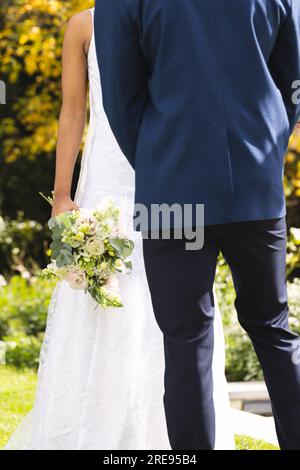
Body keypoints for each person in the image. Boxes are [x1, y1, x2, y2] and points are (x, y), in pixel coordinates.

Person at [5, 7, 234, 450]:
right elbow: (73, 114)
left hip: (172, 178)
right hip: (104, 182)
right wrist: (61, 196)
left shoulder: (182, 17)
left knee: (174, 304)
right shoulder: (82, 25)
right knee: (101, 298)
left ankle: (175, 439)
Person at [95, 0, 300, 450]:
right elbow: (292, 81)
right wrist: (266, 148)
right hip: (255, 185)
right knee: (273, 326)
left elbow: (120, 98)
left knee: (185, 340)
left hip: (172, 190)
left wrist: (158, 162)